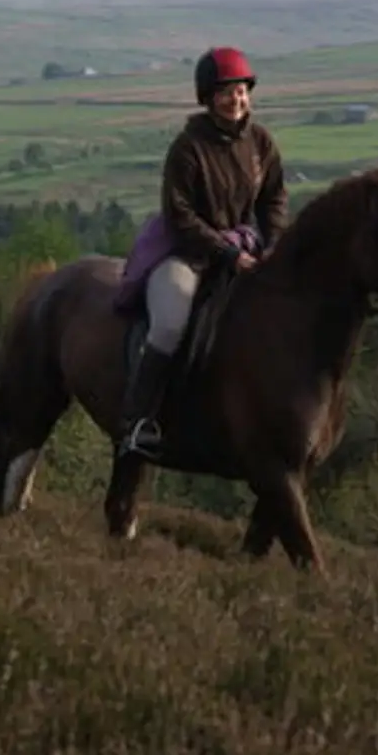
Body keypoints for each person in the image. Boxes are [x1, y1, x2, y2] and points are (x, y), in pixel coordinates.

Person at [118, 46, 289, 459]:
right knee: (171, 325)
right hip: (186, 253)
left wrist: (274, 246)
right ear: (209, 97)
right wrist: (228, 256)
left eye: (243, 91)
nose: (237, 100)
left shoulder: (261, 142)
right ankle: (138, 422)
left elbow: (273, 200)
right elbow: (180, 216)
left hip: (243, 247)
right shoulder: (188, 147)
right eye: (227, 92)